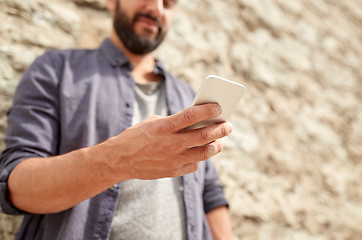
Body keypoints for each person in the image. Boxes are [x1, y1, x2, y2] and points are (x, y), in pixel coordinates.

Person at [0, 0, 234, 239]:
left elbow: (209, 192)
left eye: (168, 3)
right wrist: (119, 159)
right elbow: (17, 188)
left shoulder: (187, 95)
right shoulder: (56, 70)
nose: (156, 9)